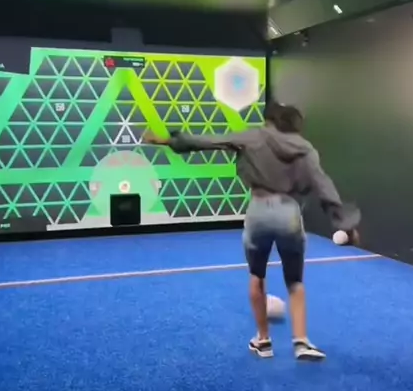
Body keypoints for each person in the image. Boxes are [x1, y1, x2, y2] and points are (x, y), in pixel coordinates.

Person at [144, 101, 360, 361]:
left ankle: (263, 341)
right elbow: (323, 185)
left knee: (257, 276)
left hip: (258, 210)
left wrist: (168, 140)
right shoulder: (305, 148)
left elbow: (207, 141)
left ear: (269, 120)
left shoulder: (252, 136)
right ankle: (301, 342)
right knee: (295, 281)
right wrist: (345, 224)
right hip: (289, 212)